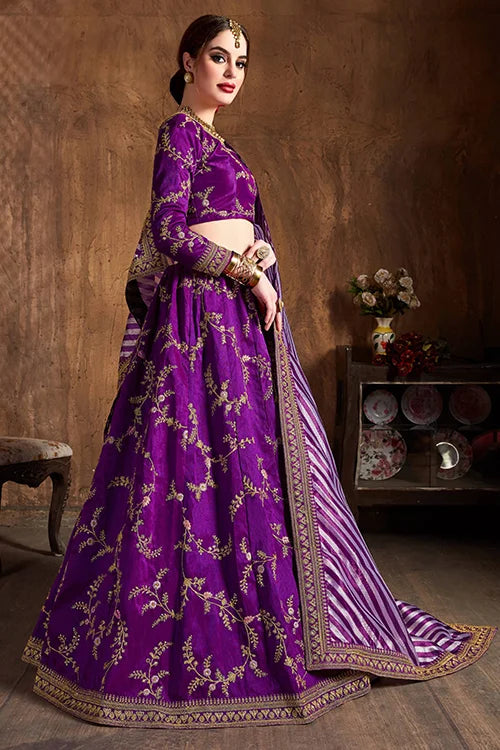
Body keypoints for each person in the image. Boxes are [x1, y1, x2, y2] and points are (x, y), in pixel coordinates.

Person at [21, 14, 496, 729]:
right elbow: (170, 233)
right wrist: (247, 273)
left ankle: (273, 606)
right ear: (188, 61)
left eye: (240, 61)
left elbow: (241, 227)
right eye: (219, 57)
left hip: (237, 324)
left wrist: (263, 259)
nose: (232, 71)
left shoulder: (224, 147)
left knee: (247, 469)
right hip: (198, 321)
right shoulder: (178, 134)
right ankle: (173, 628)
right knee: (183, 468)